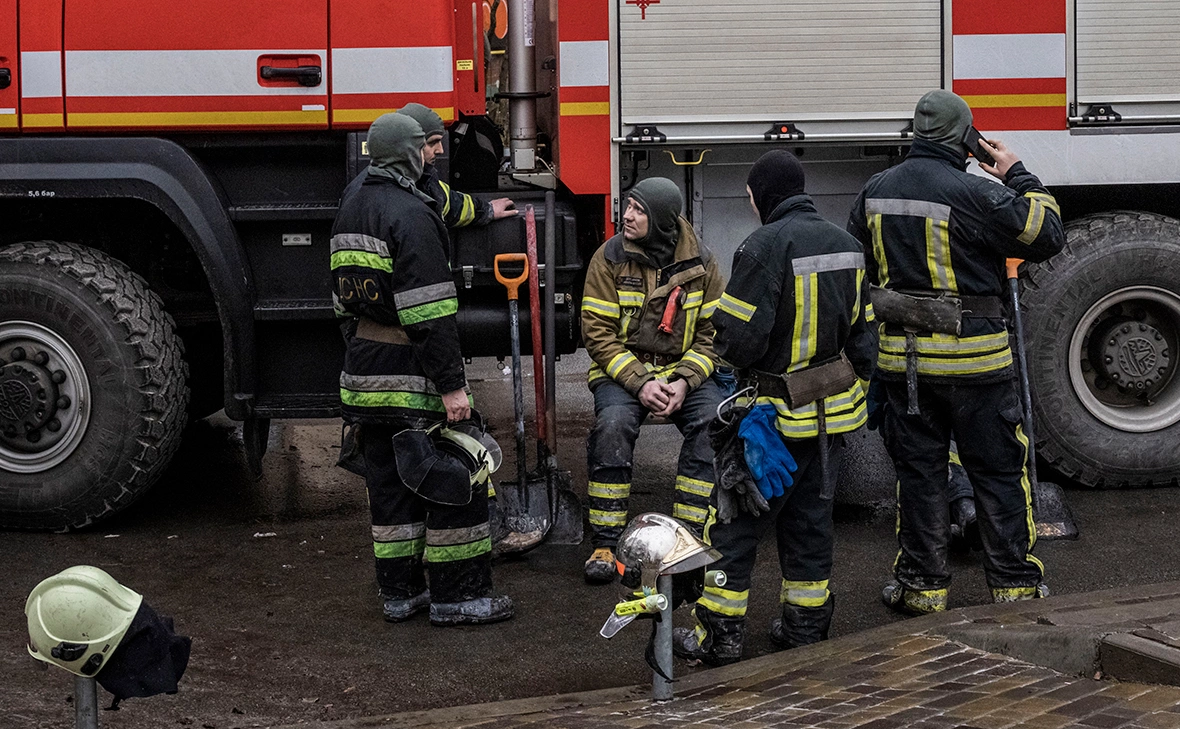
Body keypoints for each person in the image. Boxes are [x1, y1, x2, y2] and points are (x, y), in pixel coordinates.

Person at [847, 89, 1064, 615]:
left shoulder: (875, 190)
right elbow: (1047, 233)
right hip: (978, 367)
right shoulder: (974, 193)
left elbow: (860, 263)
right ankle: (1014, 587)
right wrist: (1016, 173)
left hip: (905, 370)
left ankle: (922, 588)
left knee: (919, 479)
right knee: (996, 475)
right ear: (966, 138)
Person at [672, 150, 877, 665]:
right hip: (828, 419)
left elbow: (739, 340)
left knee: (733, 527)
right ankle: (805, 627)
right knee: (809, 524)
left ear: (763, 194)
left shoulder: (762, 247)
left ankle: (719, 635)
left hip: (771, 420)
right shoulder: (848, 246)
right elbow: (865, 342)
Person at [330, 112, 512, 626]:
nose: (434, 154)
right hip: (413, 377)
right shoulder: (410, 216)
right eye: (426, 148)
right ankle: (459, 597)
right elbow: (430, 317)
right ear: (407, 154)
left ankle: (400, 594)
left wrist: (363, 351)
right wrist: (454, 388)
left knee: (389, 488)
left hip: (365, 374)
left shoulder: (353, 203)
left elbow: (342, 306)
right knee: (456, 477)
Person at [580, 177, 725, 583]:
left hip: (682, 373)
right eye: (628, 205)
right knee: (613, 426)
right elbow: (597, 333)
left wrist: (684, 381)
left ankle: (687, 538)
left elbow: (714, 335)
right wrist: (640, 382)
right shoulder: (608, 258)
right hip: (623, 372)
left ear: (662, 219)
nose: (626, 215)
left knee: (713, 423)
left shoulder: (704, 264)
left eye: (639, 210)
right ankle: (606, 542)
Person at [397, 103, 517, 227]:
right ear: (409, 145)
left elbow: (449, 204)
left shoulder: (422, 182)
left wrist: (487, 210)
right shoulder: (399, 196)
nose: (440, 150)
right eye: (432, 142)